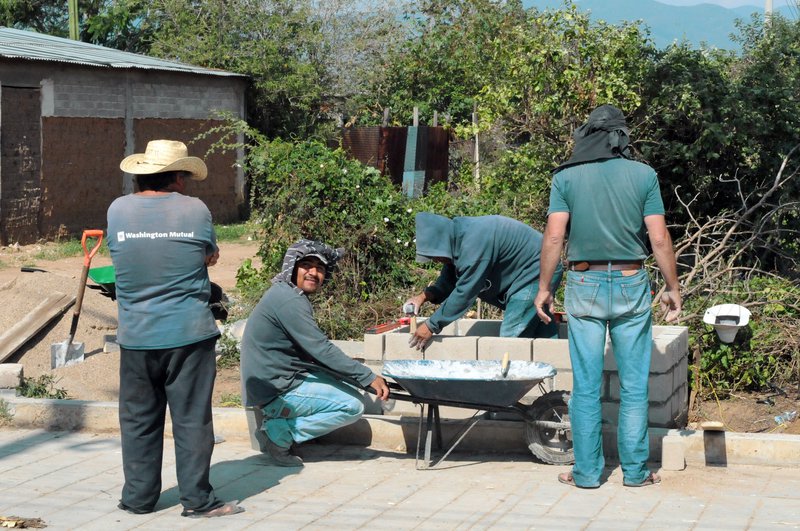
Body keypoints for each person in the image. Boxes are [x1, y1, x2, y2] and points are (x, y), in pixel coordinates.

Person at [533, 105, 682, 489]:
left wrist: (544, 288)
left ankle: (586, 473)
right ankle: (634, 473)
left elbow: (553, 237)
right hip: (633, 281)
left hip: (585, 283)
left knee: (585, 386)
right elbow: (659, 237)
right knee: (634, 386)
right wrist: (672, 287)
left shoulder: (566, 177)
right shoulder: (643, 175)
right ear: (621, 137)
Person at [107, 139, 242, 518]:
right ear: (179, 177)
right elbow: (209, 254)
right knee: (191, 420)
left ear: (139, 175)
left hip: (135, 336)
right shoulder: (194, 209)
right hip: (188, 335)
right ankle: (197, 501)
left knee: (137, 422)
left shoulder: (117, 210)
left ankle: (137, 499)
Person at [240, 239, 390, 467]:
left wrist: (357, 376)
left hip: (282, 379)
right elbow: (320, 348)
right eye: (307, 265)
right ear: (292, 267)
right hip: (275, 390)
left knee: (345, 387)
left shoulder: (287, 293)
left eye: (320, 268)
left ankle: (283, 426)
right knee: (353, 406)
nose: (314, 273)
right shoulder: (288, 299)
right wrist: (366, 376)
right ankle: (279, 433)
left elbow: (316, 352)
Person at [404, 213, 562, 350]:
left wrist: (431, 325)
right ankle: (553, 377)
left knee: (511, 340)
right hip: (535, 271)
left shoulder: (473, 245)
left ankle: (510, 384)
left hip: (537, 272)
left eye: (434, 256)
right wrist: (423, 297)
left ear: (441, 244)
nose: (437, 261)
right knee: (543, 334)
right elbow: (447, 282)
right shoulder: (457, 239)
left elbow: (464, 293)